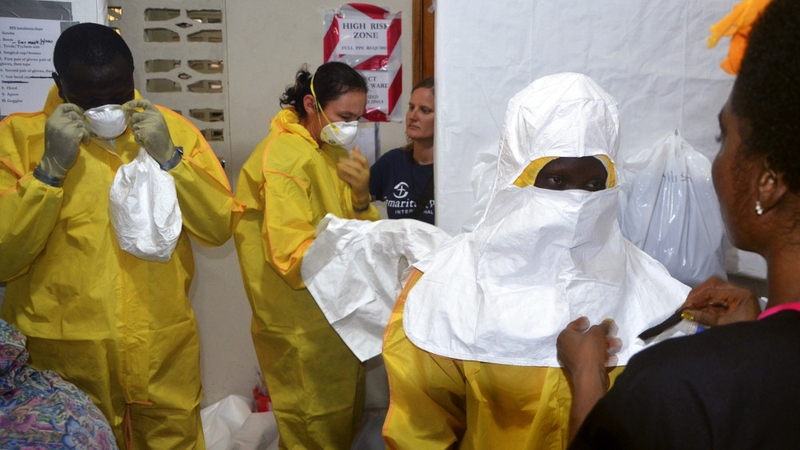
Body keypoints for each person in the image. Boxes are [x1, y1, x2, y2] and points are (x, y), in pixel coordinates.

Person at [382, 73, 690, 450]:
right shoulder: (446, 286)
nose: (576, 202)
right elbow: (419, 433)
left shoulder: (652, 290)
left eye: (594, 184)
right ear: (516, 174)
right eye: (557, 181)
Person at [558, 0, 800, 447]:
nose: (716, 162)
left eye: (722, 138)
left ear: (768, 182)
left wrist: (588, 377)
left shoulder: (680, 387)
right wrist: (755, 333)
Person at [0, 23, 237, 449]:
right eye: (92, 100)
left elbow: (218, 226)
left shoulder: (172, 132)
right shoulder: (18, 139)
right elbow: (3, 258)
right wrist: (49, 171)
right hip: (65, 359)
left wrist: (171, 159)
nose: (109, 109)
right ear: (60, 84)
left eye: (120, 95)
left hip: (163, 349)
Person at [234, 61, 379, 449]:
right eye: (344, 116)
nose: (351, 127)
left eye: (358, 118)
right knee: (312, 430)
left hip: (335, 322)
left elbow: (358, 228)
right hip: (300, 326)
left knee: (338, 428)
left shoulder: (327, 150)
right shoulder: (284, 157)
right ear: (312, 104)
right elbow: (291, 254)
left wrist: (363, 199)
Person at [369, 76, 435, 224]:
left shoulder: (454, 169)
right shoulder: (392, 162)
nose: (413, 116)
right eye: (411, 107)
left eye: (424, 110)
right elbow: (354, 203)